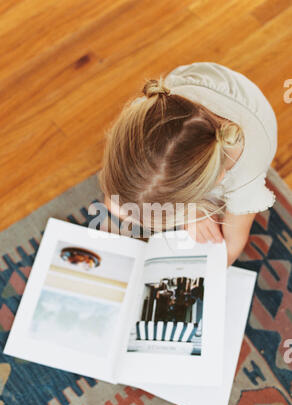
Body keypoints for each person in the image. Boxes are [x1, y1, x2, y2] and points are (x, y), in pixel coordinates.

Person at [99, 62, 278, 266]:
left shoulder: (246, 174)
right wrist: (193, 213)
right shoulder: (146, 114)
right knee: (115, 205)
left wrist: (211, 277)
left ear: (214, 180)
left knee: (122, 207)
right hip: (197, 88)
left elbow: (234, 242)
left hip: (252, 115)